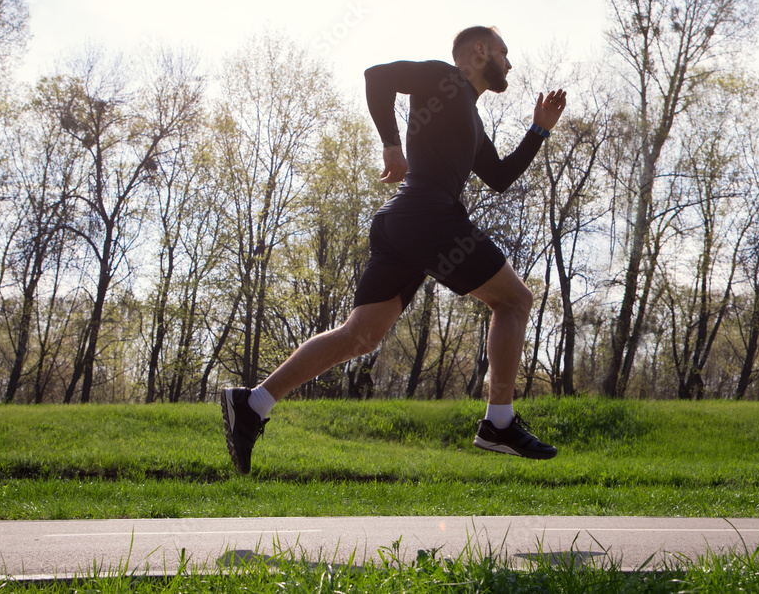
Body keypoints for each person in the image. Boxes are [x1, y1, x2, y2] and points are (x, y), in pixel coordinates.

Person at [222, 26, 567, 475]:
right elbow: (377, 77)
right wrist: (391, 144)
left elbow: (499, 178)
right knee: (515, 300)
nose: (510, 63)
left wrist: (539, 130)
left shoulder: (473, 120)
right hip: (427, 214)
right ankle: (498, 422)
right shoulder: (443, 78)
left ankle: (252, 403)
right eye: (504, 53)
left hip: (401, 224)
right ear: (480, 51)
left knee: (360, 336)